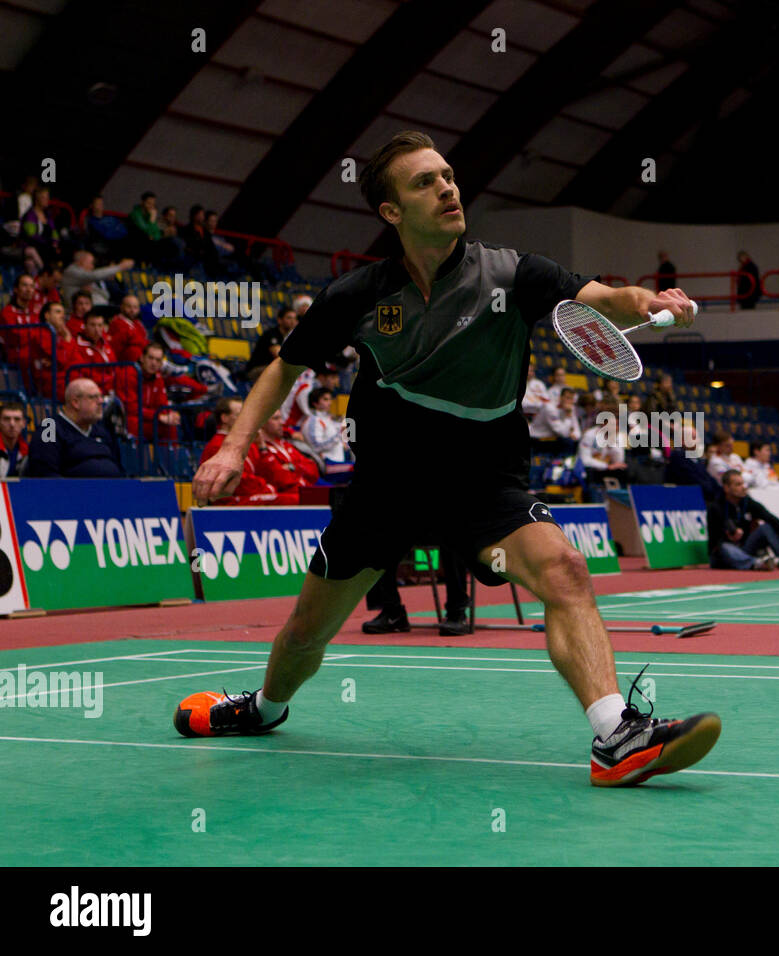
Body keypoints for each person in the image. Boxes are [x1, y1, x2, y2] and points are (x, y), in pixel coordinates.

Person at [184, 129, 718, 786]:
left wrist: (654, 302)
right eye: (425, 182)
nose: (446, 188)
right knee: (304, 632)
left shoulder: (514, 274)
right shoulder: (358, 295)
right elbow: (284, 367)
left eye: (448, 176)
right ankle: (264, 709)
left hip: (483, 481)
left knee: (565, 570)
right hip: (388, 485)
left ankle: (617, 736)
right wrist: (235, 446)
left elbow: (606, 300)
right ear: (391, 212)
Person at [707, 469, 779, 570]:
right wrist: (731, 533)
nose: (743, 487)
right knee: (725, 548)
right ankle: (757, 563)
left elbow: (768, 516)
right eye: (738, 485)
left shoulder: (747, 502)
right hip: (723, 552)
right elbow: (716, 536)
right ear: (726, 488)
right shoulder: (715, 506)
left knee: (766, 527)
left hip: (745, 547)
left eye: (743, 484)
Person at [25, 378, 123, 478]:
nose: (100, 401)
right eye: (94, 397)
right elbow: (46, 476)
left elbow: (118, 467)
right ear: (75, 402)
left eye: (101, 396)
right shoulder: (49, 429)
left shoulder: (102, 431)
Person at [118, 342, 206, 441]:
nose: (154, 363)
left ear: (161, 363)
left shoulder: (158, 378)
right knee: (134, 423)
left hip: (148, 419)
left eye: (158, 360)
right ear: (142, 358)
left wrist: (170, 414)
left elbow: (162, 404)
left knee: (171, 427)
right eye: (150, 358)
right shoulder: (129, 374)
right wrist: (159, 416)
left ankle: (173, 456)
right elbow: (131, 409)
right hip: (129, 420)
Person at [664, 419, 720, 501]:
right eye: (694, 437)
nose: (698, 440)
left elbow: (707, 476)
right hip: (687, 497)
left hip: (703, 495)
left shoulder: (696, 458)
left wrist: (718, 490)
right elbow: (690, 479)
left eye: (698, 437)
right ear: (682, 440)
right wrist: (710, 491)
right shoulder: (678, 456)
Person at [62, 249, 134, 306]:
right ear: (82, 261)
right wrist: (121, 266)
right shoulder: (72, 271)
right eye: (91, 263)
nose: (92, 267)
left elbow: (105, 294)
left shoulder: (83, 278)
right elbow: (94, 276)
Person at [247, 306, 297, 382]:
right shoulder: (272, 334)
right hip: (257, 369)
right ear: (280, 320)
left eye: (294, 318)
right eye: (289, 318)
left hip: (271, 369)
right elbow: (279, 356)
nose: (293, 321)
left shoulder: (289, 337)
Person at [534, 386, 581, 455]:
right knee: (568, 441)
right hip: (539, 438)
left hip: (555, 439)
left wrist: (575, 436)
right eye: (567, 398)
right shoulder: (550, 408)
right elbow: (563, 433)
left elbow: (577, 429)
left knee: (575, 442)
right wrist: (568, 415)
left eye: (572, 399)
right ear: (560, 397)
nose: (570, 402)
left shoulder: (571, 408)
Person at [108, 294, 150, 364]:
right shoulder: (117, 323)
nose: (132, 310)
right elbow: (116, 349)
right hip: (125, 365)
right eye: (129, 307)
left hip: (141, 363)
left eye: (135, 307)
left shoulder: (138, 323)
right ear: (122, 307)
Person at [0, 402, 29, 477]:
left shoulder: (28, 452)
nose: (12, 424)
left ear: (24, 423)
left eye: (17, 419)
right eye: (6, 419)